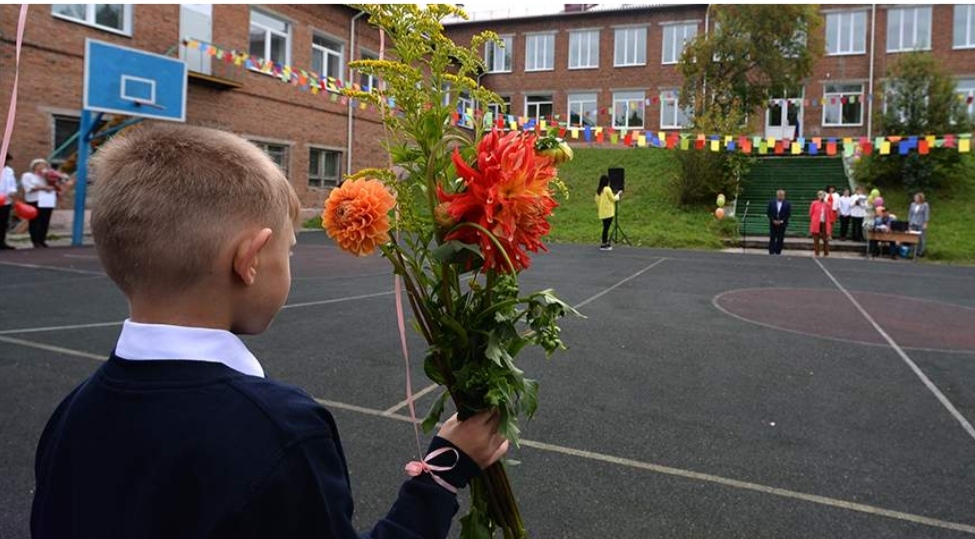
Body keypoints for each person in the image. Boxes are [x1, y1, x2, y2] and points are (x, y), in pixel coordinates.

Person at [31, 124, 508, 538]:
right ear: (250, 260)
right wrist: (442, 475)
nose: (290, 266)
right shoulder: (281, 429)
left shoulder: (70, 413)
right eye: (290, 252)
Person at [21, 158, 72, 248]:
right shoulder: (28, 175)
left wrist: (58, 178)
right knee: (35, 221)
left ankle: (42, 239)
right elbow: (29, 187)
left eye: (44, 165)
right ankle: (35, 240)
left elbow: (62, 181)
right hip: (35, 200)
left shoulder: (47, 176)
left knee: (45, 220)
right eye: (40, 165)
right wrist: (44, 187)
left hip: (47, 201)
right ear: (34, 167)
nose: (43, 167)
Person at [594, 174, 620, 251]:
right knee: (606, 228)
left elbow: (596, 200)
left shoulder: (599, 190)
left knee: (605, 228)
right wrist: (618, 195)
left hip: (602, 212)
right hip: (608, 212)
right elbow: (613, 198)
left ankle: (605, 242)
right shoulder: (607, 189)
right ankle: (604, 244)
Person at [766, 189, 790, 255]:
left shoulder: (787, 204)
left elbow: (788, 214)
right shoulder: (772, 203)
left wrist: (782, 221)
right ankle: (771, 252)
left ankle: (778, 252)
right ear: (777, 195)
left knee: (780, 239)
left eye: (782, 195)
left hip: (782, 224)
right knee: (772, 238)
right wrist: (773, 220)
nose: (780, 196)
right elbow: (768, 213)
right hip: (773, 224)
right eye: (779, 195)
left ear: (784, 196)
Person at [809, 190, 833, 257]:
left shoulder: (828, 204)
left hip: (824, 223)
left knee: (825, 240)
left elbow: (830, 214)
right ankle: (817, 253)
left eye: (822, 194)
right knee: (816, 240)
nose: (821, 196)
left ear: (824, 196)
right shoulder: (814, 203)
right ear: (817, 196)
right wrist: (814, 220)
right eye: (819, 194)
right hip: (816, 223)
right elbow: (810, 213)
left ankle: (826, 254)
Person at [0, 153, 17, 249]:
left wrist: (12, 192)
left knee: (3, 222)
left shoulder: (8, 170)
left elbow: (12, 183)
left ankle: (1, 242)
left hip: (5, 200)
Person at [908, 192, 930, 257]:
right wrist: (909, 222)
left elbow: (926, 214)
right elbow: (910, 214)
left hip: (921, 223)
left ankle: (921, 252)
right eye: (915, 197)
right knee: (912, 237)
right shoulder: (912, 204)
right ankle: (913, 251)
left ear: (920, 198)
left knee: (921, 238)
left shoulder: (925, 205)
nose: (915, 199)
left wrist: (925, 223)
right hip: (913, 222)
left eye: (916, 197)